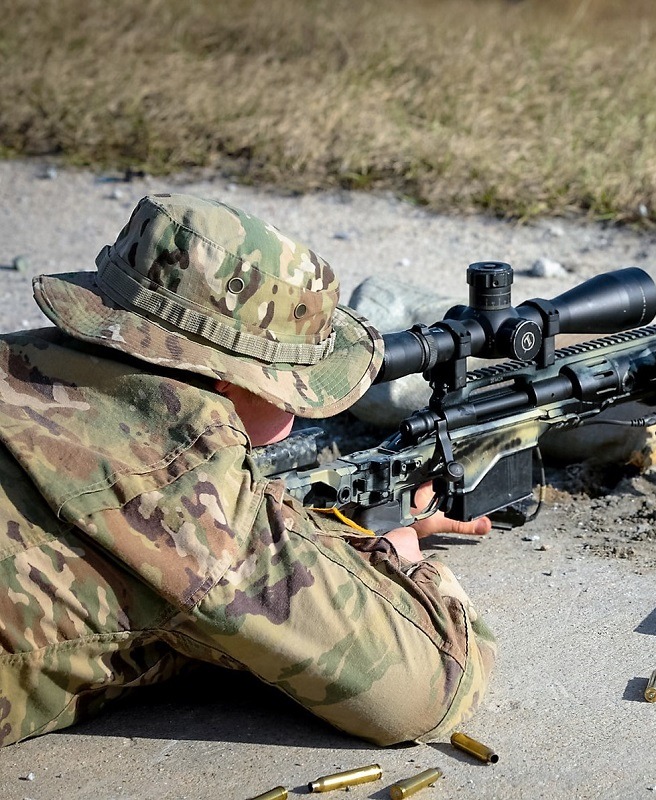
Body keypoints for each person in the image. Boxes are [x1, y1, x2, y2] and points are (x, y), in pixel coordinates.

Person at [0, 193, 494, 747]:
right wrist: (400, 562)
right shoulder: (190, 492)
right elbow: (429, 688)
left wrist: (331, 535)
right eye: (295, 386)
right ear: (234, 380)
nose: (300, 409)